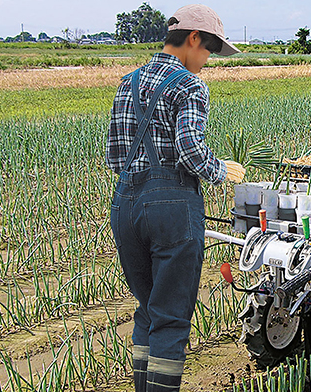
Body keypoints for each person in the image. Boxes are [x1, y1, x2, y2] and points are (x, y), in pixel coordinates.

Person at [105, 4, 245, 392]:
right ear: (193, 39)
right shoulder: (189, 84)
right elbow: (189, 150)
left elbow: (115, 155)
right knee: (171, 317)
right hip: (171, 208)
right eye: (210, 50)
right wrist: (220, 170)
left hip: (125, 205)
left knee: (148, 311)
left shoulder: (127, 81)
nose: (208, 61)